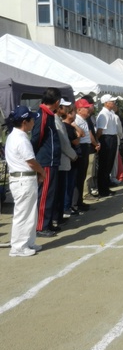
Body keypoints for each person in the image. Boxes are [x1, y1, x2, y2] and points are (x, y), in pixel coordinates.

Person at [5, 105, 46, 256]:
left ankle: (28, 242)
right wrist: (42, 172)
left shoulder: (14, 136)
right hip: (23, 179)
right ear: (25, 122)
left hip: (23, 179)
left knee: (29, 213)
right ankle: (18, 247)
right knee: (23, 213)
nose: (33, 123)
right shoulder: (20, 138)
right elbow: (31, 161)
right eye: (31, 120)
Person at [30, 87, 62, 237]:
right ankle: (41, 226)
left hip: (52, 159)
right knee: (45, 194)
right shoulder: (42, 115)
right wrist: (37, 156)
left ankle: (47, 222)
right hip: (45, 160)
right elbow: (37, 137)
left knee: (51, 193)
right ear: (57, 102)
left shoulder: (48, 115)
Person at [74, 98, 98, 213]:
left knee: (84, 175)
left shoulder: (84, 120)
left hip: (86, 147)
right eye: (86, 108)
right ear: (79, 110)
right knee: (80, 176)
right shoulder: (77, 120)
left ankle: (79, 201)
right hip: (81, 148)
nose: (88, 110)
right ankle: (78, 201)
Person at [96, 95, 120, 196]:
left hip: (112, 137)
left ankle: (106, 186)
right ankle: (102, 189)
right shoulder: (103, 114)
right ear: (106, 103)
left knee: (109, 164)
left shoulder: (110, 113)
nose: (113, 103)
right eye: (112, 101)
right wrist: (97, 141)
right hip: (106, 138)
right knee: (104, 165)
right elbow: (100, 130)